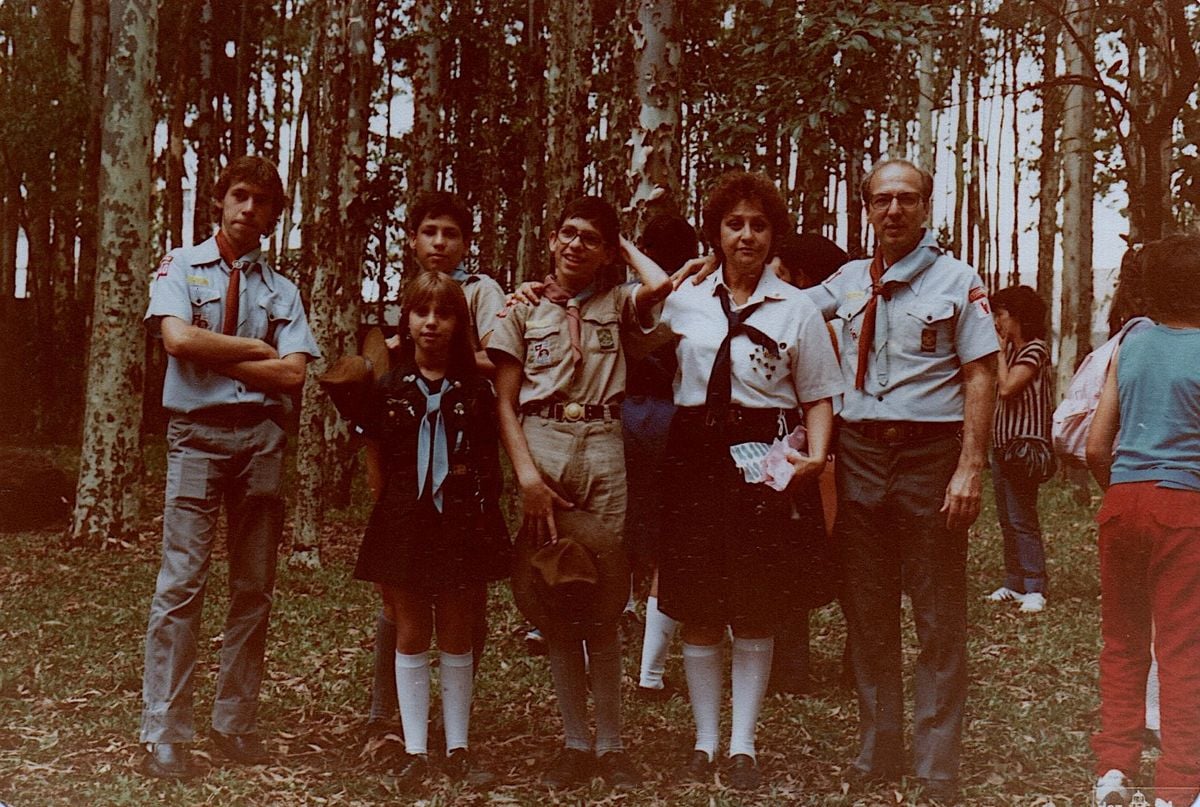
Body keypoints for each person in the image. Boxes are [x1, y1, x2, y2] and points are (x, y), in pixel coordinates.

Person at [802, 158, 998, 802]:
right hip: (860, 454)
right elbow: (779, 312)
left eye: (906, 199)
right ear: (867, 208)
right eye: (882, 200)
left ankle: (937, 763)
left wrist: (970, 465)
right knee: (869, 609)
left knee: (938, 612)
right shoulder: (849, 281)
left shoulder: (957, 280)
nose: (894, 211)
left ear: (926, 205)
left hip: (929, 455)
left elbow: (980, 375)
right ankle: (878, 748)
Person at [653, 172, 843, 790]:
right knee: (699, 602)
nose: (747, 235)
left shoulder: (799, 309)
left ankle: (743, 744)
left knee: (756, 605)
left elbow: (817, 395)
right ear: (716, 233)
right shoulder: (685, 300)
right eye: (735, 223)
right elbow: (621, 320)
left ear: (773, 235)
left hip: (762, 460)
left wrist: (815, 458)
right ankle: (706, 740)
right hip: (692, 459)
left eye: (759, 225)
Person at [138, 155, 320, 779]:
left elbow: (294, 374)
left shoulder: (282, 289)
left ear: (273, 215)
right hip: (196, 437)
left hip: (261, 442)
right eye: (239, 196)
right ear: (218, 200)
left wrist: (221, 355)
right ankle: (165, 730)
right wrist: (255, 348)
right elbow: (178, 342)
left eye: (262, 202)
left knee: (253, 586)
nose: (248, 209)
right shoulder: (180, 268)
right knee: (181, 583)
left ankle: (233, 722)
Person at [487, 196, 671, 792]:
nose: (575, 246)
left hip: (602, 439)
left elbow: (660, 285)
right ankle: (573, 741)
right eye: (567, 234)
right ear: (550, 239)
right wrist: (527, 478)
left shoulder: (615, 304)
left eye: (591, 239)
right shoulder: (524, 312)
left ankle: (612, 744)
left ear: (606, 251)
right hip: (543, 440)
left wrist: (624, 250)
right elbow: (505, 404)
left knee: (603, 593)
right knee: (557, 593)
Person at [347, 271, 510, 788]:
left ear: (460, 323)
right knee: (412, 629)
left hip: (462, 521)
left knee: (458, 631)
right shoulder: (387, 389)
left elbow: (490, 461)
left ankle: (457, 746)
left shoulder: (477, 392)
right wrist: (393, 515)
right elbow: (375, 461)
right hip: (404, 521)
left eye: (444, 314)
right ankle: (415, 750)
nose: (432, 324)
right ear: (407, 319)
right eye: (422, 313)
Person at [366, 191, 505, 734]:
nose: (439, 243)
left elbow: (501, 359)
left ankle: (456, 730)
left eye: (450, 233)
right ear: (413, 239)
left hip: (460, 491)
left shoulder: (484, 293)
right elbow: (376, 439)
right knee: (402, 616)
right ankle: (394, 718)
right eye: (429, 232)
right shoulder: (394, 308)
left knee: (461, 615)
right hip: (407, 498)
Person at [1086, 234, 1200, 807]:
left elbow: (1094, 446)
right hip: (1185, 509)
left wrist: (1124, 492)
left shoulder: (1129, 342)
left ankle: (1114, 771)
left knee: (1123, 642)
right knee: (1183, 649)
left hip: (1123, 502)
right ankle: (1178, 786)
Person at [768, 231, 849, 696]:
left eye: (780, 275)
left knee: (808, 558)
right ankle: (796, 665)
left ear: (802, 277)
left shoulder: (817, 327)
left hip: (818, 458)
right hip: (815, 455)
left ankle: (792, 667)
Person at [624, 213, 698, 701]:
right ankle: (650, 672)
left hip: (627, 417)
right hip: (672, 419)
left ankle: (604, 629)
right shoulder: (696, 292)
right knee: (669, 539)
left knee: (625, 528)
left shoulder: (626, 294)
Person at [984, 285, 1053, 613]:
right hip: (1002, 447)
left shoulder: (1034, 350)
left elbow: (1009, 387)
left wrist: (998, 352)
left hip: (1024, 449)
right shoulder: (1011, 353)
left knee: (1022, 516)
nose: (997, 321)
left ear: (1019, 317)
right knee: (1006, 518)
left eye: (1001, 315)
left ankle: (1035, 584)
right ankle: (1014, 580)